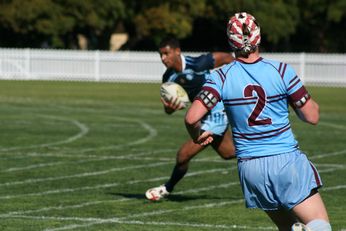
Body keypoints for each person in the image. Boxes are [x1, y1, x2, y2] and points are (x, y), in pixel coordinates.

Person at [185, 12, 331, 231]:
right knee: (320, 225)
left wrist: (196, 134)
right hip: (285, 161)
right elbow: (312, 116)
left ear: (230, 41)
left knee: (288, 227)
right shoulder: (282, 71)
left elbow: (191, 118)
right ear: (258, 37)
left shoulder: (220, 77)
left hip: (251, 168)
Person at [145, 36, 236, 201]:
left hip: (216, 111)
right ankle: (264, 146)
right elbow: (168, 110)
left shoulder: (199, 63)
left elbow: (227, 58)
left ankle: (167, 188)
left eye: (166, 53)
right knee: (229, 153)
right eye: (161, 55)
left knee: (183, 155)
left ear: (177, 51)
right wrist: (170, 107)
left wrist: (234, 78)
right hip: (203, 116)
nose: (163, 58)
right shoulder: (168, 78)